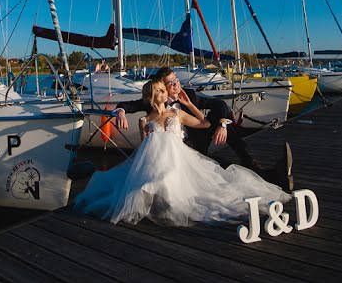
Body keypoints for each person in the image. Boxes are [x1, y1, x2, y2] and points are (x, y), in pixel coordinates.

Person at [74, 79, 292, 225]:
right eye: (158, 91)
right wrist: (121, 111)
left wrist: (216, 119)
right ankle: (153, 188)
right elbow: (144, 147)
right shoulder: (144, 120)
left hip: (180, 156)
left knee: (210, 184)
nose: (163, 93)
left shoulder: (176, 113)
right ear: (150, 96)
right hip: (152, 160)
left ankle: (269, 173)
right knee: (140, 186)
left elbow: (205, 124)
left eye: (163, 89)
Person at [114, 67, 292, 191]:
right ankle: (268, 178)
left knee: (225, 126)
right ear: (162, 88)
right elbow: (127, 105)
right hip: (173, 155)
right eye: (171, 83)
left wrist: (221, 124)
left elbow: (219, 105)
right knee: (221, 168)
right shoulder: (154, 103)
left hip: (196, 142)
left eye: (176, 80)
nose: (177, 85)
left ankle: (256, 166)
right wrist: (120, 112)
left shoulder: (188, 94)